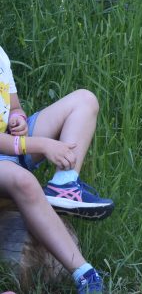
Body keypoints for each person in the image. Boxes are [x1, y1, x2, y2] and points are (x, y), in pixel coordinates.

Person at [0, 44, 113, 293]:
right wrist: (41, 145)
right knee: (25, 182)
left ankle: (64, 183)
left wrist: (17, 118)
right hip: (5, 155)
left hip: (14, 143)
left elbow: (15, 106)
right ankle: (85, 273)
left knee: (84, 100)